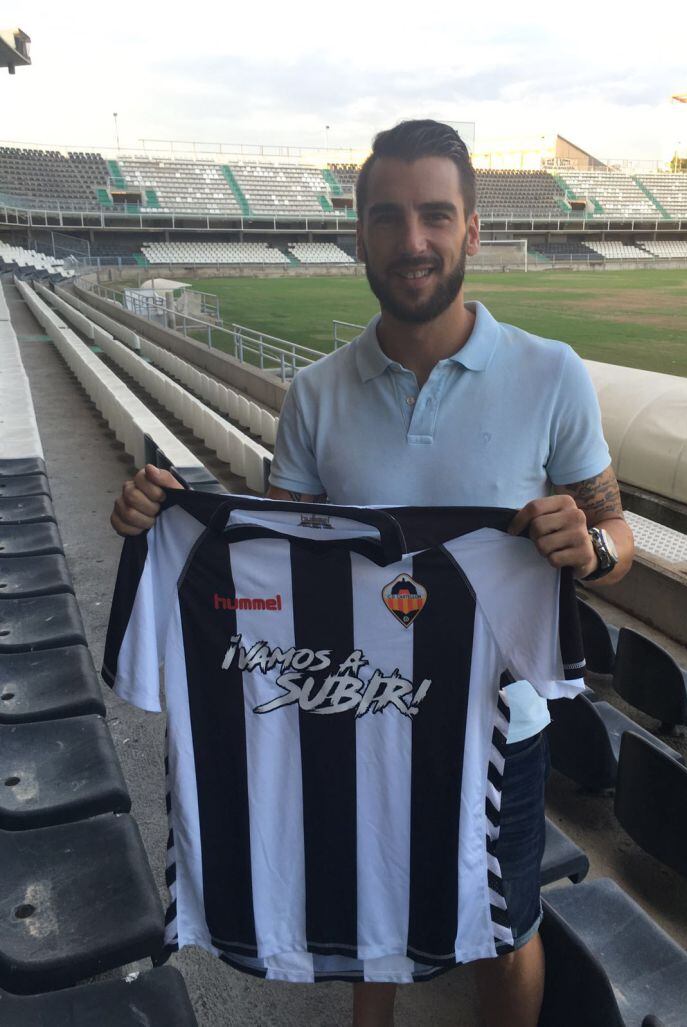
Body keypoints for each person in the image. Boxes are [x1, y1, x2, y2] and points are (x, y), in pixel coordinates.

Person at [111, 119, 634, 1027]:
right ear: (358, 233)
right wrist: (164, 518)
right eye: (388, 217)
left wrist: (592, 548)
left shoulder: (553, 376)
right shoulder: (315, 393)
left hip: (497, 721)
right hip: (361, 708)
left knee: (504, 929)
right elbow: (280, 551)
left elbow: (616, 528)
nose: (414, 241)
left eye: (437, 215)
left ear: (473, 230)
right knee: (364, 908)